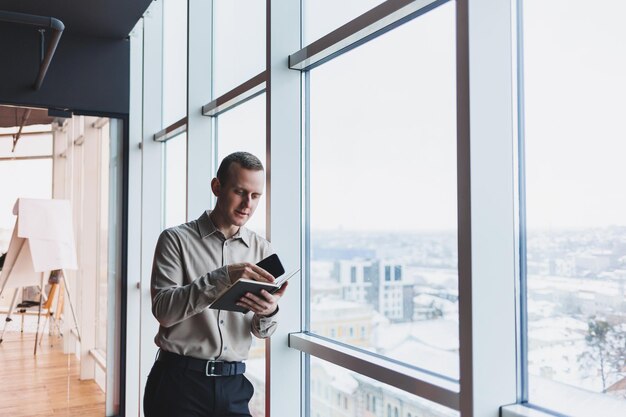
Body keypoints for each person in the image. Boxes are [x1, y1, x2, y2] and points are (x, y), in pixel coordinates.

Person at [144, 151, 288, 417]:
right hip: (178, 383)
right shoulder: (175, 240)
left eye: (255, 196)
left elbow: (262, 331)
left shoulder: (262, 249)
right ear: (217, 187)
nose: (248, 204)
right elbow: (164, 311)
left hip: (234, 387)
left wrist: (268, 312)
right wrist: (223, 276)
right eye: (240, 191)